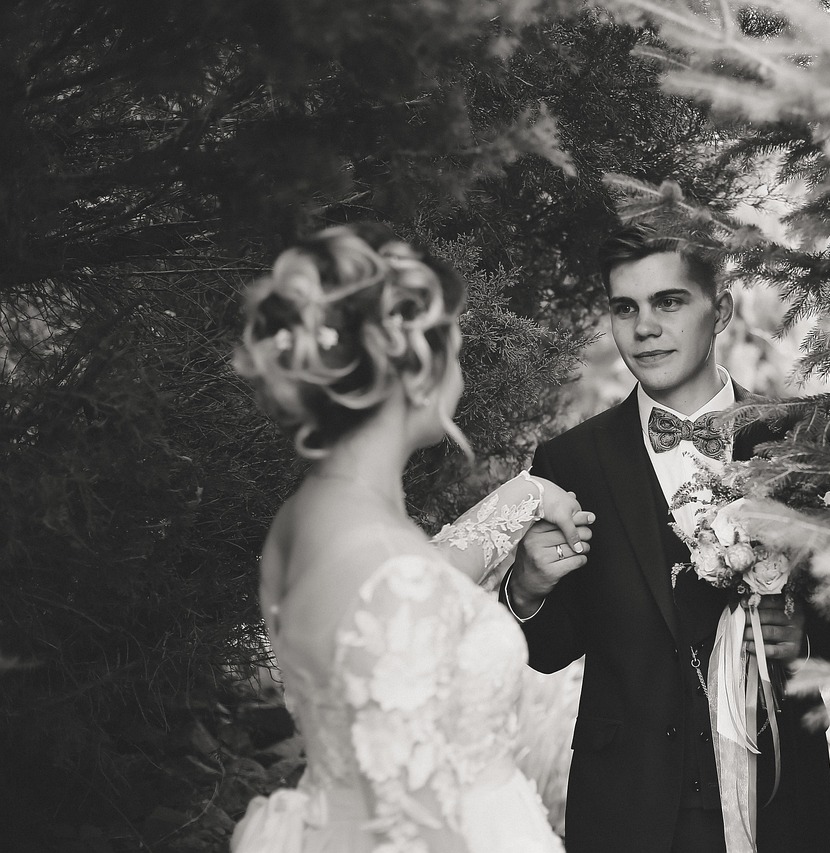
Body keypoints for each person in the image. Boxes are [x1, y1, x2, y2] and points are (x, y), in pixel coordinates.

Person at [501, 224, 830, 853]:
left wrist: (805, 634)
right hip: (629, 815)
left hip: (778, 805)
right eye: (626, 308)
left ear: (720, 311)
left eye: (668, 302)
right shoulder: (571, 462)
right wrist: (527, 589)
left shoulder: (800, 442)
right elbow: (550, 649)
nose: (644, 327)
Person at [228, 224, 591, 853]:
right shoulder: (388, 567)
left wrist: (528, 493)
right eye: (457, 351)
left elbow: (423, 578)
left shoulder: (317, 518)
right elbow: (414, 822)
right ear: (421, 376)